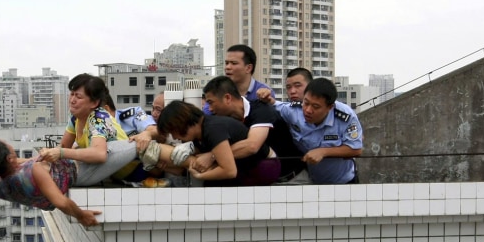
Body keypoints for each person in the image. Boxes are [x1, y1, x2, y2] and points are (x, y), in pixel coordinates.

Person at [0, 136, 102, 227]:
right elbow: (61, 202)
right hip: (80, 170)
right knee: (116, 146)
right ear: (9, 158)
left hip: (58, 178)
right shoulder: (32, 171)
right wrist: (81, 215)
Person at [36, 73, 136, 185]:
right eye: (72, 94)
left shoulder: (99, 117)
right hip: (108, 171)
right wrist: (48, 153)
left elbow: (99, 154)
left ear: (94, 103)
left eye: (78, 97)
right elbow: (64, 147)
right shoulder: (75, 119)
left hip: (129, 171)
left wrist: (61, 152)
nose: (72, 100)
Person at [142, 101, 270, 186]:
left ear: (179, 124)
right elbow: (188, 167)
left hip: (263, 167)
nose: (174, 137)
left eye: (172, 132)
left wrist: (200, 175)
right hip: (249, 168)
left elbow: (229, 171)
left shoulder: (212, 128)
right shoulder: (201, 132)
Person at [197, 76, 288, 185]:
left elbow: (252, 146)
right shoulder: (223, 120)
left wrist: (212, 156)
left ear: (227, 98)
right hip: (254, 175)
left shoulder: (261, 110)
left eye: (211, 102)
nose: (210, 109)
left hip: (284, 178)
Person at [274, 78, 363, 184]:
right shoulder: (293, 111)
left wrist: (323, 152)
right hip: (311, 181)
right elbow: (270, 106)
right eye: (306, 103)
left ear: (330, 107)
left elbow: (356, 149)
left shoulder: (345, 117)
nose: (308, 110)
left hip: (343, 181)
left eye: (315, 107)